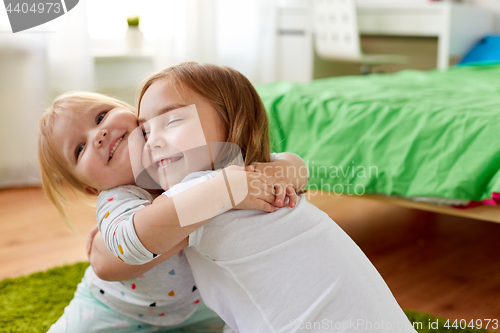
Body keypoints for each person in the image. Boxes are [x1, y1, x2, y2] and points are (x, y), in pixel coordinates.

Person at [94, 62, 417, 333]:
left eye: (173, 120)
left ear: (233, 122)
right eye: (146, 132)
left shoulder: (202, 189)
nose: (152, 143)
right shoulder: (259, 178)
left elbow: (130, 244)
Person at [38, 91, 308, 333]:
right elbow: (133, 240)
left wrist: (269, 174)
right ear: (90, 189)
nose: (98, 135)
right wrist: (223, 194)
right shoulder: (116, 200)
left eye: (100, 116)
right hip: (117, 312)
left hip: (201, 305)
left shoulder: (183, 154)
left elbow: (296, 167)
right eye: (79, 148)